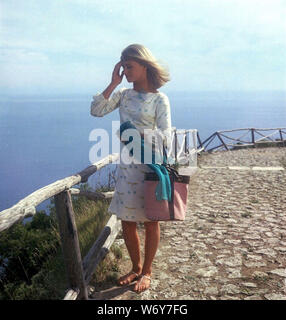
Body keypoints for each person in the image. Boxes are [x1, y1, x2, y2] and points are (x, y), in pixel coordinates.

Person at [90, 44, 171, 293]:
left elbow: (165, 136)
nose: (125, 71)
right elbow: (96, 111)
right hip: (127, 168)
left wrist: (135, 135)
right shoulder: (123, 95)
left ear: (144, 66)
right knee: (127, 220)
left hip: (148, 166)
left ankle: (147, 271)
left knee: (150, 221)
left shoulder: (160, 99)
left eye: (129, 66)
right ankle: (136, 267)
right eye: (123, 67)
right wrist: (113, 83)